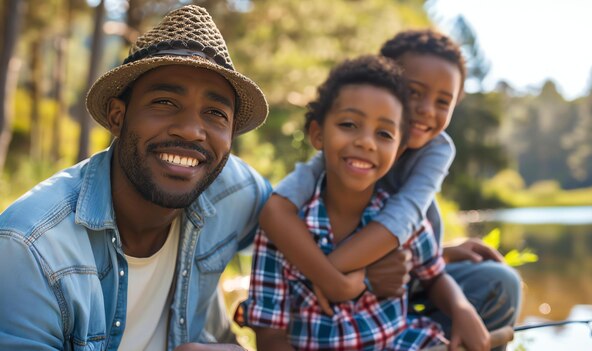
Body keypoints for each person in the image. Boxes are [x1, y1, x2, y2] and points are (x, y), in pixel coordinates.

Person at [0, 5, 270, 351]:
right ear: (118, 117)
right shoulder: (31, 250)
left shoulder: (232, 188)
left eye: (215, 113)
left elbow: (315, 213)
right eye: (165, 102)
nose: (191, 131)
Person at [259, 30, 520, 351]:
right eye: (414, 92)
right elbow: (275, 212)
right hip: (344, 279)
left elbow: (403, 219)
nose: (426, 110)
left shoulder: (437, 150)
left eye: (443, 101)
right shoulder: (333, 158)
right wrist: (335, 280)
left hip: (406, 270)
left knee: (500, 282)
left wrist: (443, 269)